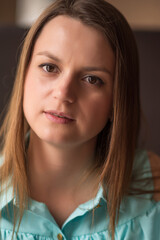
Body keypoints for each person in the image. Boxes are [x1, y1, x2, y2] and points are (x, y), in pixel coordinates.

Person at [0, 0, 160, 239]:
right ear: (23, 75)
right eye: (49, 67)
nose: (63, 93)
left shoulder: (153, 194)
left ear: (116, 101)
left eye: (92, 79)